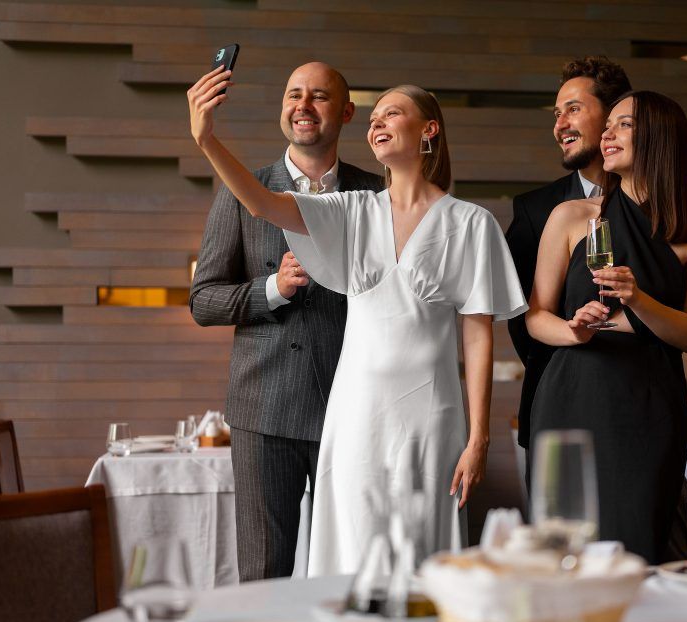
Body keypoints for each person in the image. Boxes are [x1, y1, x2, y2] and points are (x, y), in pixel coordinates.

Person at [187, 69, 527, 575]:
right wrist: (207, 140)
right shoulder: (352, 211)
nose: (377, 123)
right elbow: (263, 203)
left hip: (430, 417)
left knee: (422, 558)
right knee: (349, 554)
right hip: (353, 416)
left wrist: (478, 438)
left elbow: (478, 336)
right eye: (373, 118)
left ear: (428, 129)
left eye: (392, 112)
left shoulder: (470, 222)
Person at [189, 62, 383, 581]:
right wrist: (274, 289)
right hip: (264, 411)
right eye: (293, 94)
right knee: (262, 573)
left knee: (347, 573)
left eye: (318, 96)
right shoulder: (242, 188)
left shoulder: (376, 194)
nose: (303, 105)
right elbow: (203, 300)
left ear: (345, 112)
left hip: (351, 408)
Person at [526, 91, 687, 565]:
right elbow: (535, 317)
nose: (607, 134)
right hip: (571, 398)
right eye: (607, 124)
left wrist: (638, 301)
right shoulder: (570, 217)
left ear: (659, 137)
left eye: (624, 125)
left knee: (641, 548)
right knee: (565, 550)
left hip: (649, 408)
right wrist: (575, 332)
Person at [505, 55, 630, 452]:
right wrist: (561, 370)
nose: (559, 125)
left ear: (614, 116)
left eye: (573, 109)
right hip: (559, 402)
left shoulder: (659, 209)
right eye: (557, 113)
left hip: (640, 403)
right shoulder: (535, 211)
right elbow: (519, 314)